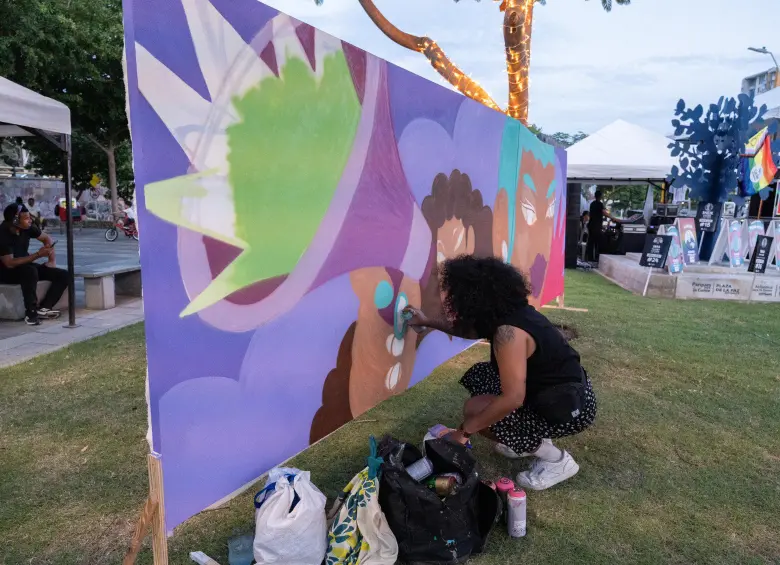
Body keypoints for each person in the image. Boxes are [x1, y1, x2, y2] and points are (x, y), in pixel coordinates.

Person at [405, 256, 596, 491]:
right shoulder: (512, 313)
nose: (451, 299)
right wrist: (428, 321)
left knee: (477, 412)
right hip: (563, 393)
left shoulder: (509, 333)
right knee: (482, 377)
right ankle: (529, 438)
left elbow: (513, 398)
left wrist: (464, 432)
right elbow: (471, 330)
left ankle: (557, 460)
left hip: (569, 408)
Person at [0, 204, 68, 325]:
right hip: (6, 271)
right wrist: (38, 255)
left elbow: (46, 238)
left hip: (26, 266)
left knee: (64, 275)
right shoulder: (3, 234)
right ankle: (31, 313)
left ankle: (44, 308)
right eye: (26, 218)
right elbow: (9, 263)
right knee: (30, 271)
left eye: (29, 217)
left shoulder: (28, 227)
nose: (30, 220)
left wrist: (51, 261)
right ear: (15, 221)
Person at [585, 190, 620, 264]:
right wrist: (613, 218)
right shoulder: (599, 204)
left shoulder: (592, 204)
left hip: (591, 225)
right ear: (600, 196)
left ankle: (589, 257)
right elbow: (604, 213)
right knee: (597, 242)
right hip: (596, 226)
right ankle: (595, 257)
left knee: (591, 241)